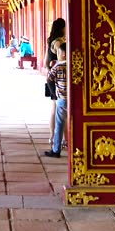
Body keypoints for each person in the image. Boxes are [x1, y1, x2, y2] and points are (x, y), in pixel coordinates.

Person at [43, 42, 68, 157]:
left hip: (62, 99)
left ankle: (56, 150)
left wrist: (53, 93)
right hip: (74, 100)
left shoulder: (58, 66)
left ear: (63, 54)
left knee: (59, 124)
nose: (57, 54)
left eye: (58, 52)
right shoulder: (74, 64)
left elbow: (49, 79)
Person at [44, 18, 66, 147]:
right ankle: (59, 137)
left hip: (52, 77)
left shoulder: (51, 41)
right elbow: (61, 60)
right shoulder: (58, 42)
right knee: (58, 108)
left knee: (55, 107)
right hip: (58, 78)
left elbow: (47, 61)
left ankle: (53, 136)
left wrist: (48, 69)